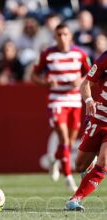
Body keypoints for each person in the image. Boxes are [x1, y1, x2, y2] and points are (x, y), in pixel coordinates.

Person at [31, 23, 91, 192]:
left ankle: (55, 159)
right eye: (59, 35)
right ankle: (69, 177)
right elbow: (34, 75)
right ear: (55, 37)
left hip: (74, 101)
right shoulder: (47, 55)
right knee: (64, 138)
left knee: (70, 141)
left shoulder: (80, 54)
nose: (62, 37)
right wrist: (45, 82)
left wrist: (80, 81)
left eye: (65, 34)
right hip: (56, 101)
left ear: (70, 36)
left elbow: (91, 73)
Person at [65, 50, 107, 211]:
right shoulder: (105, 58)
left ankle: (75, 199)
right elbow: (85, 84)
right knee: (80, 166)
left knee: (104, 162)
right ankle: (91, 166)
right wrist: (89, 100)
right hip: (100, 117)